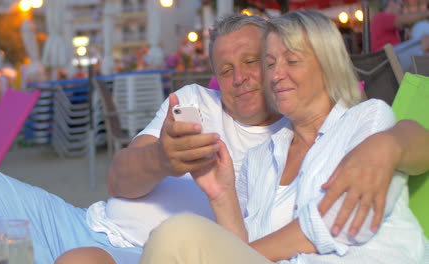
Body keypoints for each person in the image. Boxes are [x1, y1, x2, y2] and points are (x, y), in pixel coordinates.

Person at [0, 14, 427, 264]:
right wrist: (165, 161)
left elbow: (405, 137)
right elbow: (118, 179)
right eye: (225, 70)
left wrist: (388, 143)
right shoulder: (250, 140)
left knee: (116, 252)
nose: (247, 78)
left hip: (144, 253)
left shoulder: (346, 125)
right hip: (86, 219)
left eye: (258, 62)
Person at [140, 11, 428, 263]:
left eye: (291, 60)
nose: (276, 75)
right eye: (269, 63)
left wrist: (230, 255)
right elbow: (242, 248)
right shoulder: (262, 158)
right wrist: (221, 195)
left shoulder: (365, 120)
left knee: (179, 235)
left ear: (328, 64)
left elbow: (340, 222)